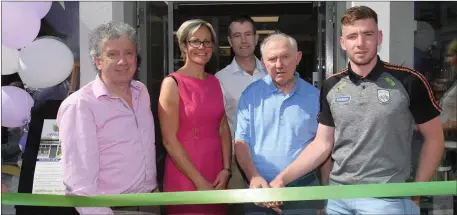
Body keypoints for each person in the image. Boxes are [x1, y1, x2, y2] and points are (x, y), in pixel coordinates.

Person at [269, 5, 445, 214]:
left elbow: (435, 139)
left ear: (379, 38)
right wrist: (282, 179)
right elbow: (322, 144)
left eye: (367, 34)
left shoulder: (408, 81)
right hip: (338, 199)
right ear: (343, 42)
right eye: (352, 36)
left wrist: (416, 190)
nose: (360, 43)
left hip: (387, 199)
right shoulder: (331, 85)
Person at [57, 22, 159, 215]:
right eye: (112, 54)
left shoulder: (141, 92)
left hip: (149, 203)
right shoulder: (80, 106)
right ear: (98, 61)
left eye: (129, 53)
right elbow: (79, 183)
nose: (123, 62)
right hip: (110, 209)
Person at [234, 32, 324, 215]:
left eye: (285, 57)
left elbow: (324, 146)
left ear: (298, 57)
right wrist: (254, 177)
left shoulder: (316, 98)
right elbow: (241, 142)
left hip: (303, 194)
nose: (279, 65)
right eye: (272, 58)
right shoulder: (250, 96)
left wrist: (325, 195)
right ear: (263, 62)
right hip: (259, 193)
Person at [158, 19, 231, 215]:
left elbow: (223, 127)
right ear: (183, 45)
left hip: (216, 174)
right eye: (195, 41)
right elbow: (169, 140)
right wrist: (199, 182)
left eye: (207, 42)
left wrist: (226, 169)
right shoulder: (172, 83)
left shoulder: (215, 82)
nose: (202, 47)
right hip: (186, 175)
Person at [214, 15, 267, 213]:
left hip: (271, 159)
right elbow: (219, 126)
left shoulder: (272, 71)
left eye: (247, 34)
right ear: (229, 41)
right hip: (237, 162)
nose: (243, 40)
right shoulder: (220, 79)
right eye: (237, 35)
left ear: (256, 37)